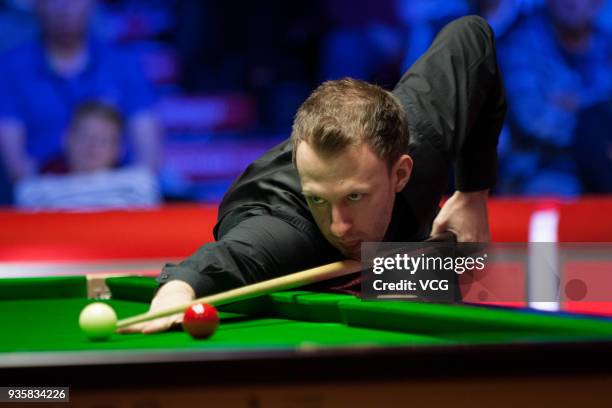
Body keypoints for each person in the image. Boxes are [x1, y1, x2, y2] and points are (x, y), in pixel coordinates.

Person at [121, 15, 506, 334]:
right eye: (321, 200)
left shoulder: (422, 134)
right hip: (280, 224)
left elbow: (473, 37)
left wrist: (472, 193)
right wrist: (178, 290)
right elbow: (229, 259)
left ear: (401, 172)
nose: (339, 226)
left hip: (377, 221)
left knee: (445, 271)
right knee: (431, 275)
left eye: (355, 196)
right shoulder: (288, 233)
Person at [0, 0, 161, 199]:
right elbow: (17, 166)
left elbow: (148, 155)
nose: (64, 7)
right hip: (43, 202)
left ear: (92, 4)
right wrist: (55, 196)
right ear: (37, 5)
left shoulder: (124, 63)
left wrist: (124, 192)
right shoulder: (10, 68)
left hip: (118, 197)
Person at [497, 0, 612, 195]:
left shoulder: (606, 44)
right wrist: (595, 127)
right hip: (540, 169)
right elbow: (535, 119)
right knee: (554, 191)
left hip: (601, 161)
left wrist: (576, 106)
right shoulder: (520, 41)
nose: (571, 2)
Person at [14, 101, 160, 210]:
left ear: (119, 148)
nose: (92, 146)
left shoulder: (138, 185)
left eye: (102, 139)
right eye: (85, 136)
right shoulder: (35, 190)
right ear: (66, 140)